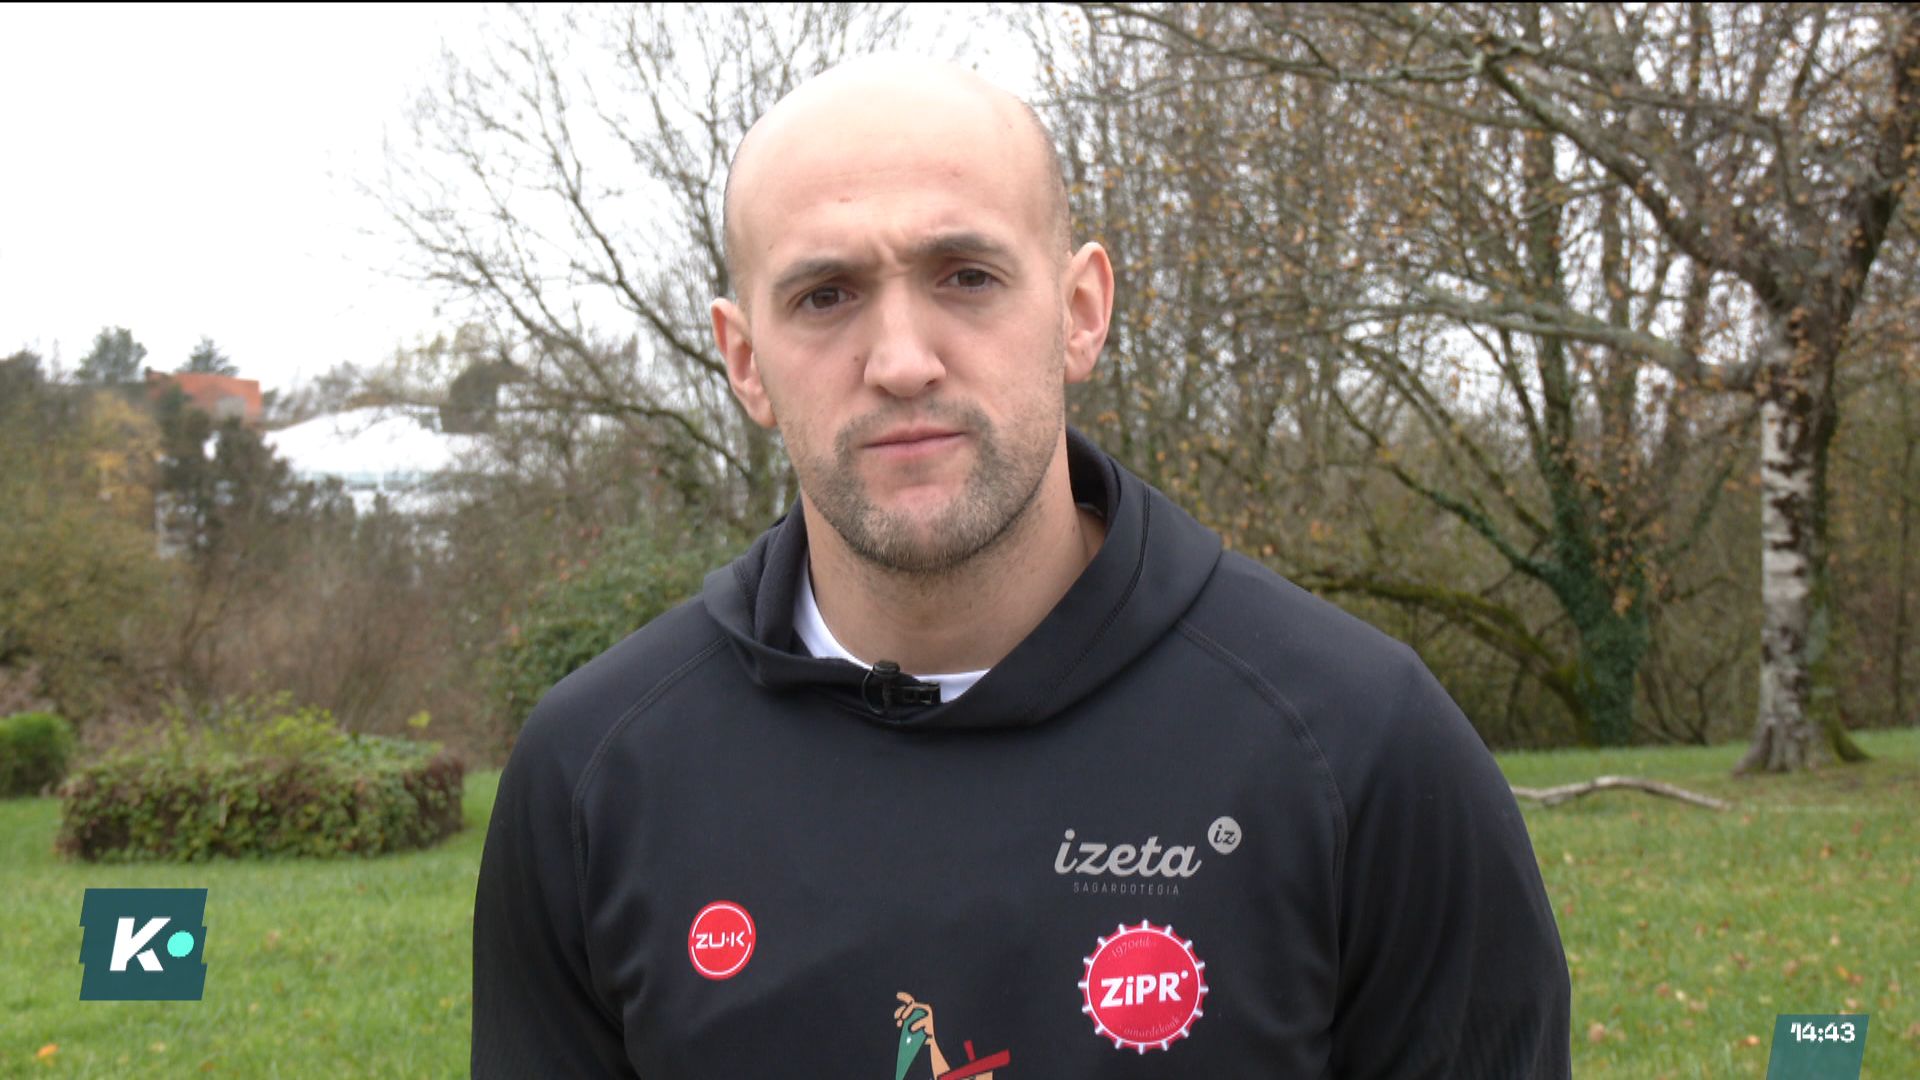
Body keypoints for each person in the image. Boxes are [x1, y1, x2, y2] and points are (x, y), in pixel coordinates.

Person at [471, 55, 1571, 1078]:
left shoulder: (1362, 747)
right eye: (825, 296)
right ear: (745, 360)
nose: (903, 362)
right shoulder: (592, 777)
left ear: (1080, 312)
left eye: (966, 276)